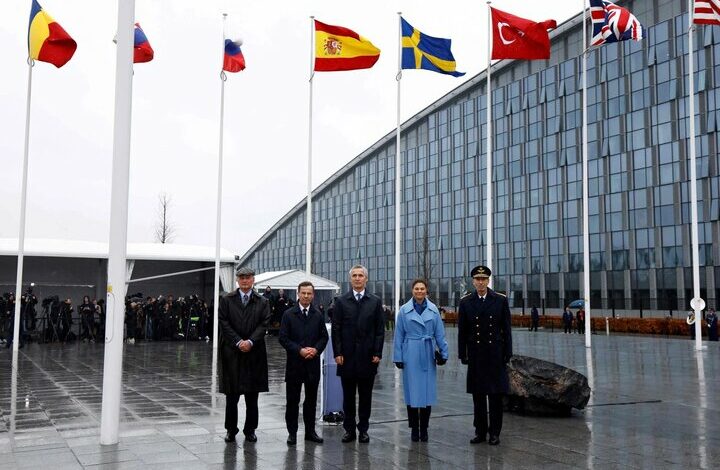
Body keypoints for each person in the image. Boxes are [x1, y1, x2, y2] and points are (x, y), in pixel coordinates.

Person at [458, 265, 512, 446]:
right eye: (477, 279)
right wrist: (462, 353)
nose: (480, 282)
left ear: (488, 281)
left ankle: (495, 432)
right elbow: (463, 331)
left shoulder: (500, 300)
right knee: (478, 396)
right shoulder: (466, 302)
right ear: (473, 281)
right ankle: (480, 431)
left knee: (495, 396)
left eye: (484, 279)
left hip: (495, 354)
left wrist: (508, 353)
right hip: (476, 354)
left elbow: (506, 329)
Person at [331, 264, 385, 444]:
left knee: (365, 396)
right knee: (347, 397)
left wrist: (378, 352)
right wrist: (337, 352)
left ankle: (363, 430)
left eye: (360, 275)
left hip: (368, 357)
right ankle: (349, 430)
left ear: (366, 279)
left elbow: (379, 330)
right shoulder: (341, 301)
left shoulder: (375, 301)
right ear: (350, 279)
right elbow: (336, 329)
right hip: (346, 357)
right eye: (354, 275)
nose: (357, 278)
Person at [218, 267, 271, 444]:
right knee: (232, 396)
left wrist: (250, 342)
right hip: (232, 353)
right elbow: (223, 323)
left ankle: (250, 430)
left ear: (253, 280)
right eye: (242, 278)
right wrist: (238, 342)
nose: (245, 281)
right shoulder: (227, 300)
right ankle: (231, 430)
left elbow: (264, 324)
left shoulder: (262, 301)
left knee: (252, 396)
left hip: (253, 353)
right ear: (237, 280)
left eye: (248, 278)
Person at [393, 279, 449, 442]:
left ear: (426, 291)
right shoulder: (404, 310)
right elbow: (399, 335)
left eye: (422, 289)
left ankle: (424, 428)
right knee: (411, 393)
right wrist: (398, 357)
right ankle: (414, 428)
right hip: (410, 352)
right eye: (416, 289)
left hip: (427, 352)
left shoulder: (433, 310)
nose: (419, 291)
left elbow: (440, 333)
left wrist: (443, 353)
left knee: (426, 393)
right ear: (412, 291)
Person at [278, 281, 328, 445]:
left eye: (309, 293)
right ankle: (292, 433)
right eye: (303, 293)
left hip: (312, 364)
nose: (306, 296)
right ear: (297, 294)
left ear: (313, 295)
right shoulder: (288, 314)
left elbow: (324, 337)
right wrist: (299, 350)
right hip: (294, 364)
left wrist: (315, 350)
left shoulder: (318, 314)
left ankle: (310, 431)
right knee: (292, 400)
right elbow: (283, 338)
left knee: (311, 400)